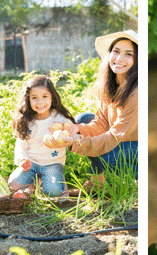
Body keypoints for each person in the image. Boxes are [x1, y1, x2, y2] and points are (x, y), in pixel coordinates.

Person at [47, 30, 139, 191]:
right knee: (84, 118)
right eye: (116, 51)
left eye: (128, 54)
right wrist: (77, 129)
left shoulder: (137, 93)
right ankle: (98, 183)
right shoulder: (112, 85)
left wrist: (76, 142)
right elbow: (101, 123)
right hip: (122, 140)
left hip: (139, 146)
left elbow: (114, 137)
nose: (119, 58)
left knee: (106, 155)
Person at [7, 75, 75, 197]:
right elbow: (20, 145)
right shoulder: (27, 121)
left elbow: (69, 127)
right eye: (34, 98)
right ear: (28, 100)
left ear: (52, 98)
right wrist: (22, 159)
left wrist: (68, 127)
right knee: (13, 184)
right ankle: (34, 184)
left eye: (45, 96)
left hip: (53, 163)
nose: (40, 102)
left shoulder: (58, 118)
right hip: (31, 163)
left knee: (54, 191)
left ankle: (56, 184)